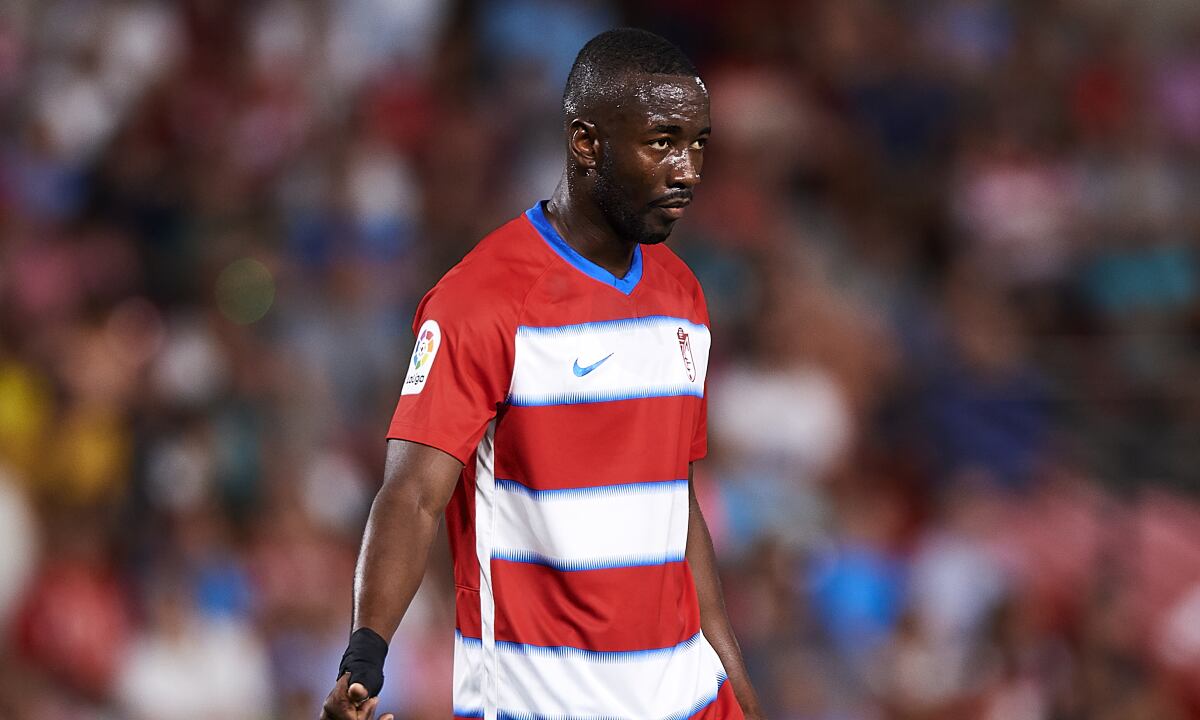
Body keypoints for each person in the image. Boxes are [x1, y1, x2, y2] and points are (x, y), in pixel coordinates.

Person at [322, 28, 764, 720]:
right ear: (586, 143)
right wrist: (364, 659)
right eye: (662, 142)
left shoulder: (683, 295)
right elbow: (412, 497)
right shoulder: (481, 301)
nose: (687, 170)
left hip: (690, 701)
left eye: (698, 143)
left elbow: (673, 503)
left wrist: (735, 685)